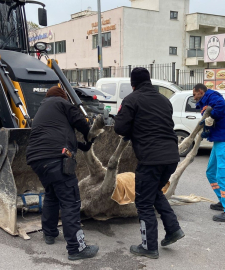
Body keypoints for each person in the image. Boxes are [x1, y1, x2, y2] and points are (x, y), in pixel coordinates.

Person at [114, 67, 184, 259]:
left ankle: (149, 246)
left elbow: (120, 127)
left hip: (151, 158)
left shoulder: (131, 99)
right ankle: (173, 229)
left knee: (143, 202)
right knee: (153, 193)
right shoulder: (164, 100)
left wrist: (131, 129)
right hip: (171, 157)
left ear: (132, 84)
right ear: (150, 81)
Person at [26, 86, 99, 261]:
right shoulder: (62, 103)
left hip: (37, 160)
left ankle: (49, 233)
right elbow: (81, 122)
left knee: (52, 194)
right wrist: (90, 133)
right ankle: (76, 248)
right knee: (70, 201)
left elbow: (60, 136)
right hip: (56, 159)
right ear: (63, 97)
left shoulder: (42, 110)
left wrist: (83, 145)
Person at [193, 83, 225, 222]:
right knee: (211, 173)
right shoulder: (206, 100)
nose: (194, 97)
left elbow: (219, 105)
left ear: (201, 91)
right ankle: (223, 201)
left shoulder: (212, 96)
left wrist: (211, 116)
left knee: (221, 175)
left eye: (195, 94)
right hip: (219, 140)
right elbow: (206, 111)